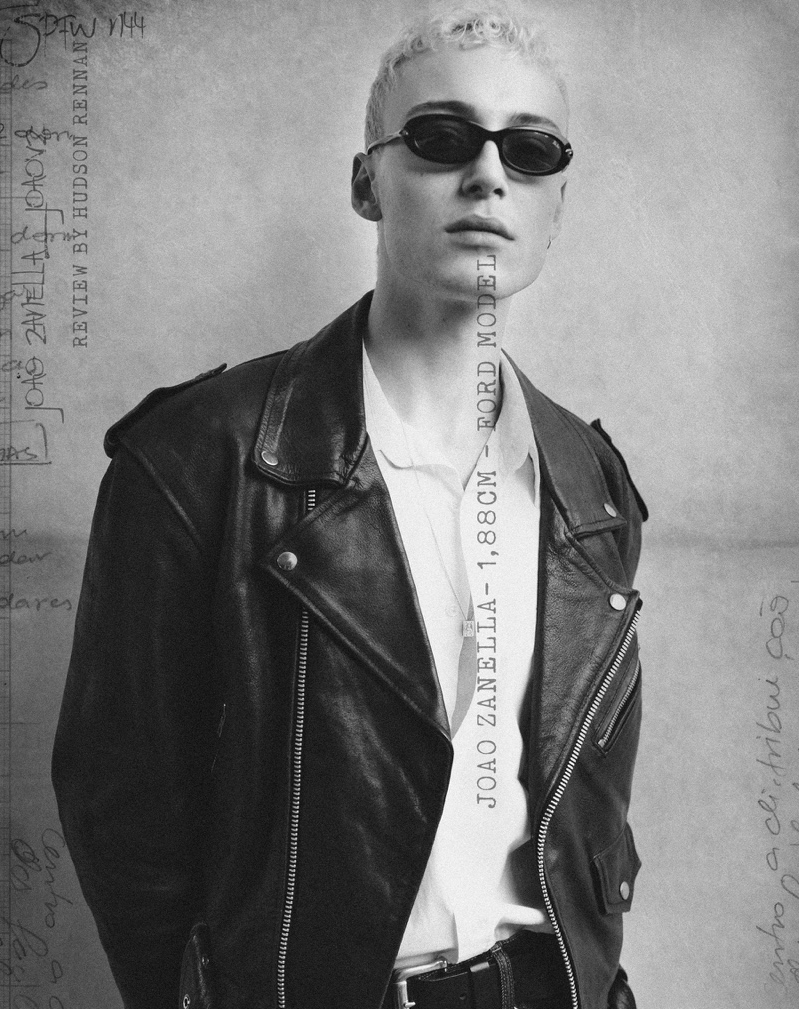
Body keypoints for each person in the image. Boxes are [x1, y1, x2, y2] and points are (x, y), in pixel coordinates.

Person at [52, 6, 648, 1009]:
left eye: (530, 150)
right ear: (367, 182)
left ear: (556, 202)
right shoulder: (199, 459)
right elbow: (123, 809)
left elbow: (587, 812)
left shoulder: (591, 483)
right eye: (442, 137)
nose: (488, 174)